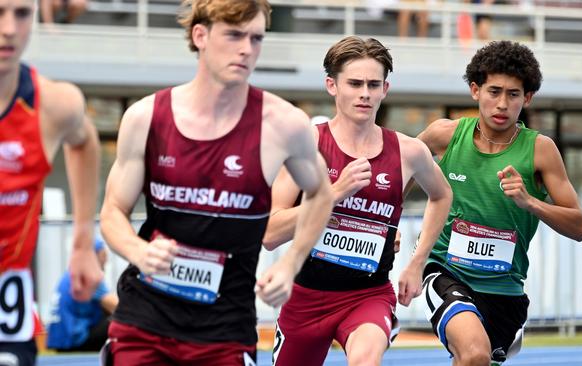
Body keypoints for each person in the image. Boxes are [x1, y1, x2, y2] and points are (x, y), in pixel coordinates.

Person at [98, 0, 333, 364]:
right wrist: (138, 251)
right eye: (235, 35)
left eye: (256, 38)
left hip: (225, 328)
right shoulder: (146, 118)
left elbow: (321, 193)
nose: (246, 49)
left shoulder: (283, 124)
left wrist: (291, 263)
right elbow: (113, 211)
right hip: (145, 319)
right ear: (200, 35)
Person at [264, 36, 453, 366]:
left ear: (385, 89)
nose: (364, 93)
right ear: (331, 86)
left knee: (366, 360)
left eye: (373, 84)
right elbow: (269, 233)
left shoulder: (409, 152)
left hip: (369, 295)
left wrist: (417, 260)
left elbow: (441, 194)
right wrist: (333, 194)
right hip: (306, 296)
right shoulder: (307, 144)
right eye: (354, 83)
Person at [416, 40, 582, 365]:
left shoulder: (541, 150)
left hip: (505, 291)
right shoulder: (445, 135)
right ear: (475, 90)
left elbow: (578, 226)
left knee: (474, 360)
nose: (502, 104)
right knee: (473, 352)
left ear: (527, 98)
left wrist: (531, 203)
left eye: (513, 94)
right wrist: (389, 222)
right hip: (446, 271)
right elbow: (400, 167)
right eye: (493, 91)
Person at [0, 0, 102, 364]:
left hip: (8, 307)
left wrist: (82, 243)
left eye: (22, 13)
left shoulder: (55, 105)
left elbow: (86, 142)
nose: (9, 28)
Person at [47, 238, 118, 352]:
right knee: (121, 320)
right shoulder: (88, 275)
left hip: (59, 340)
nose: (106, 260)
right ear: (93, 256)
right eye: (103, 255)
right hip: (74, 340)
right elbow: (117, 306)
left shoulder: (72, 273)